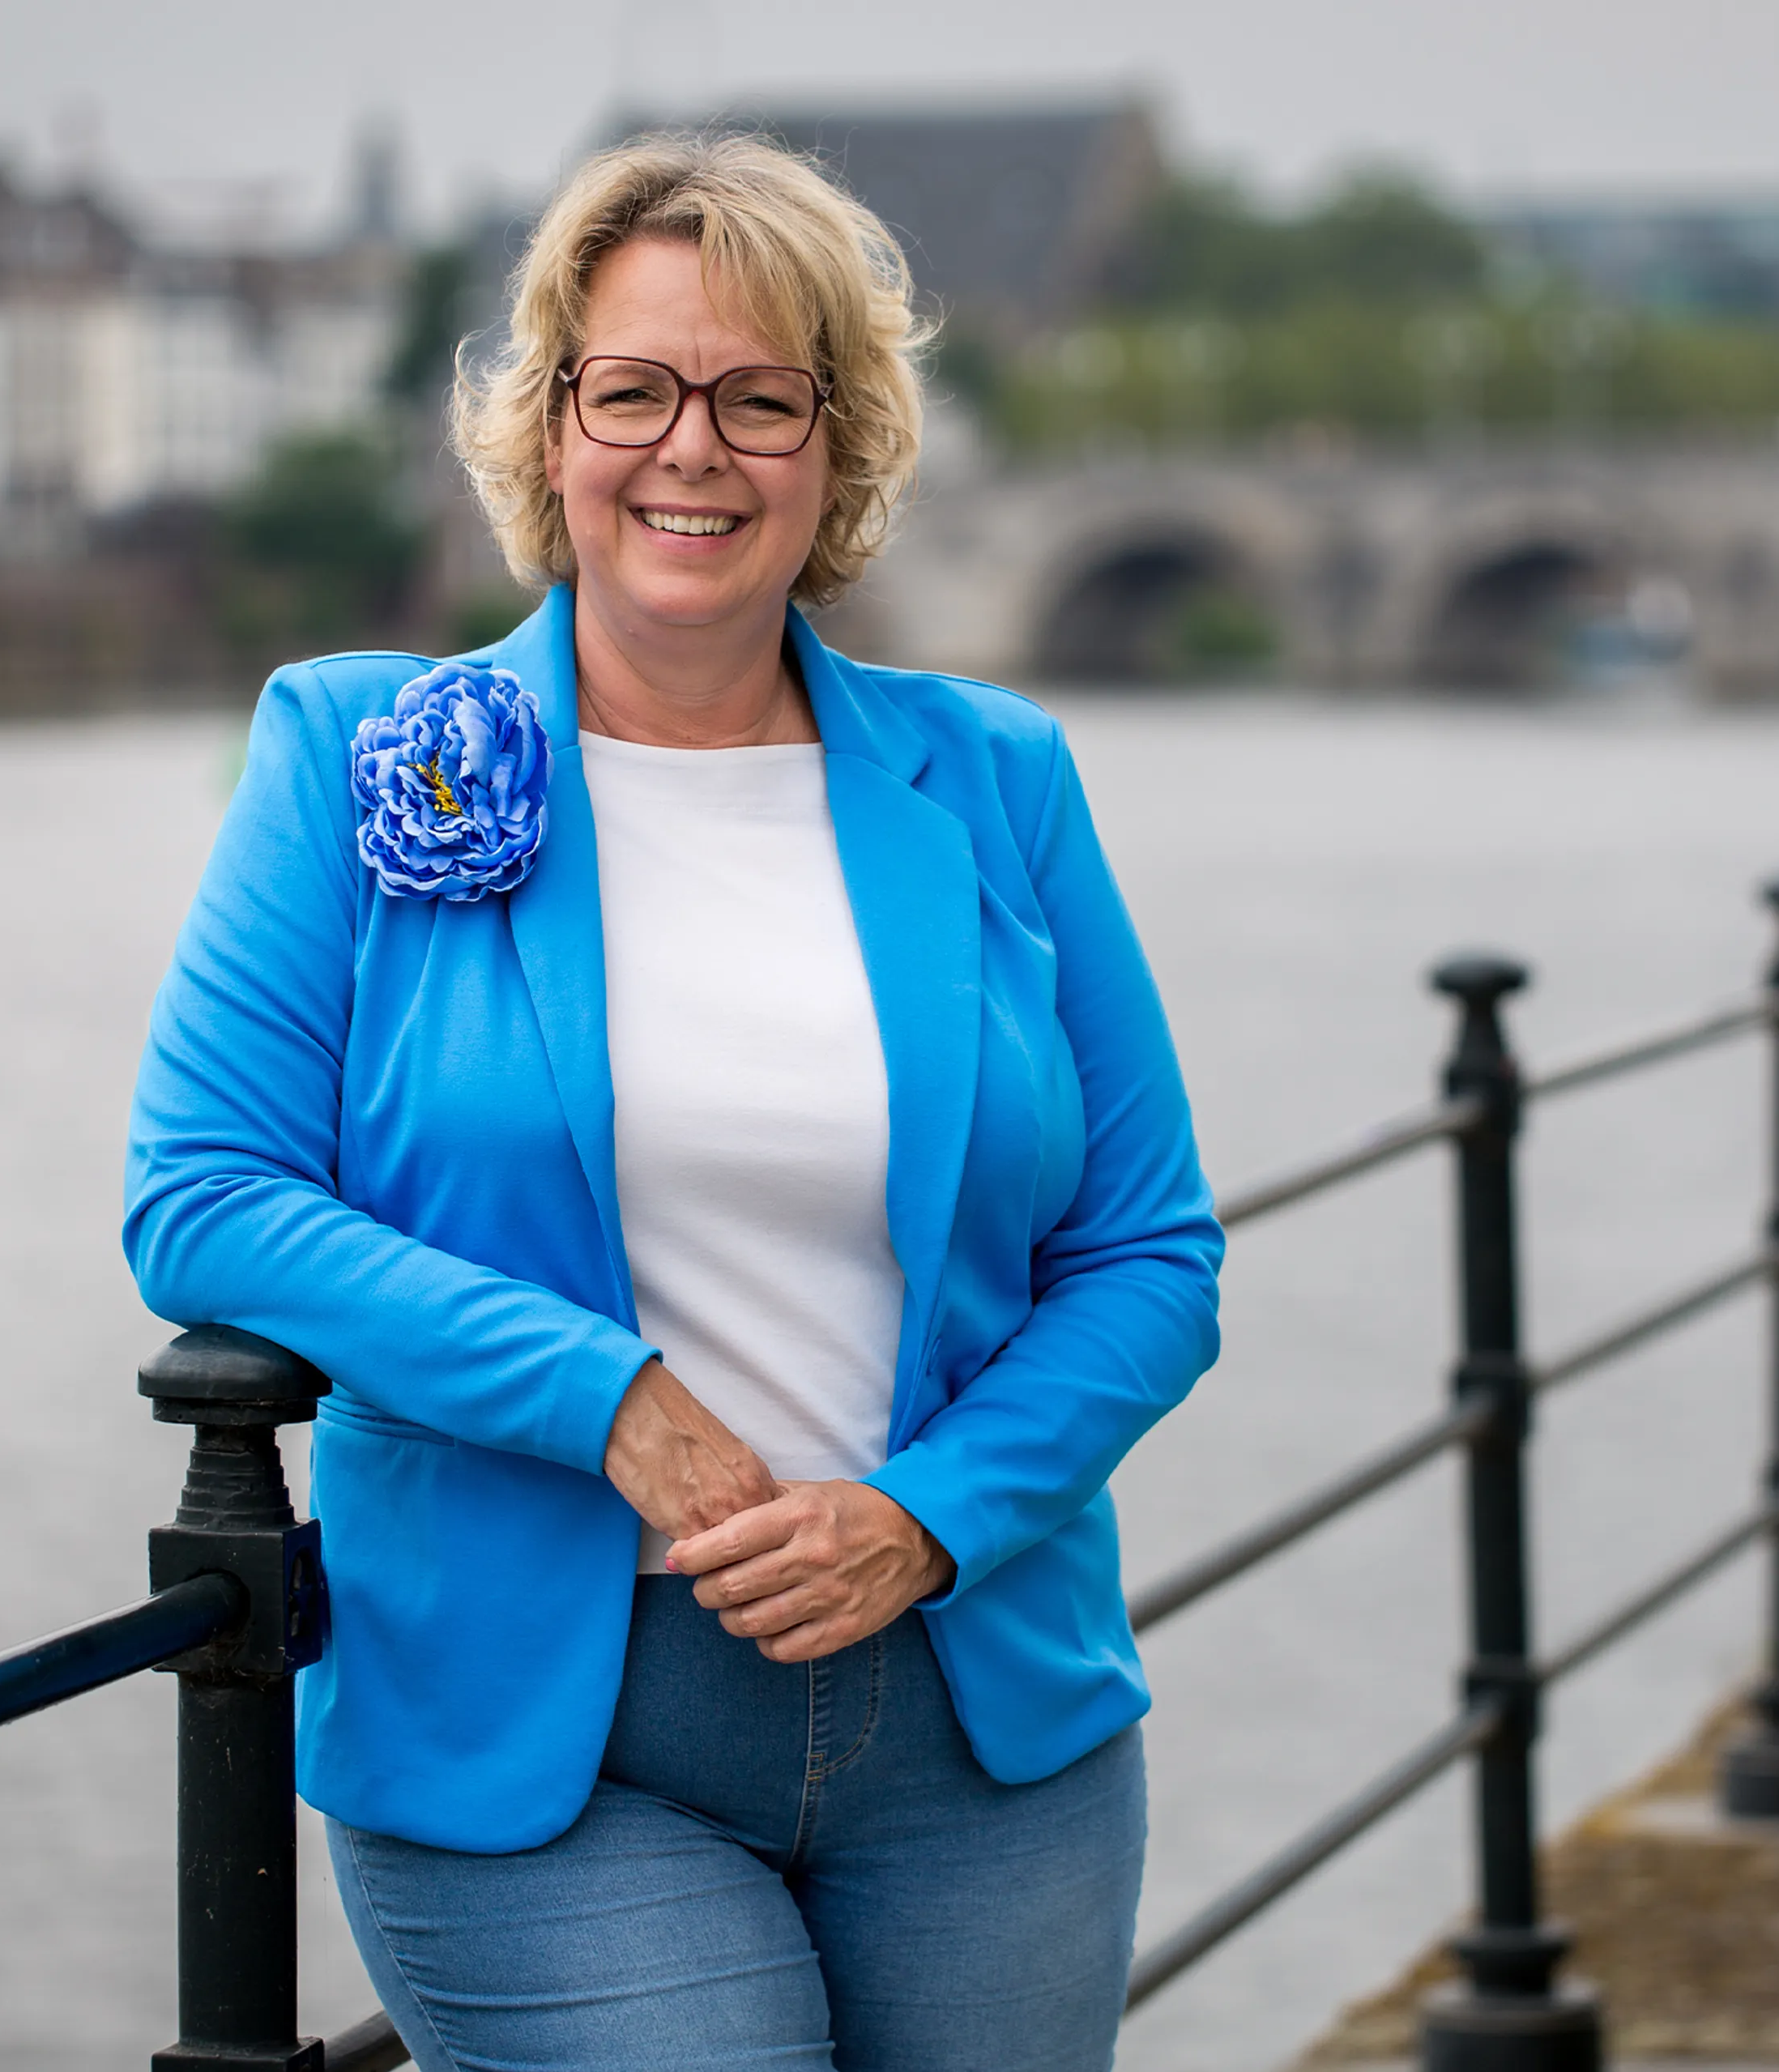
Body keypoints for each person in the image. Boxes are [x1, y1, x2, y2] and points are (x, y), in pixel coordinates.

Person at [122, 131, 1223, 2072]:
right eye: (630, 389)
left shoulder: (995, 779)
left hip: (979, 1726)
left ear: (840, 444)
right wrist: (601, 1394)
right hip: (544, 1736)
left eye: (758, 398)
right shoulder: (352, 751)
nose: (690, 449)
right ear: (551, 429)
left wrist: (929, 1515)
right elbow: (201, 1194)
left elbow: (1148, 1257)